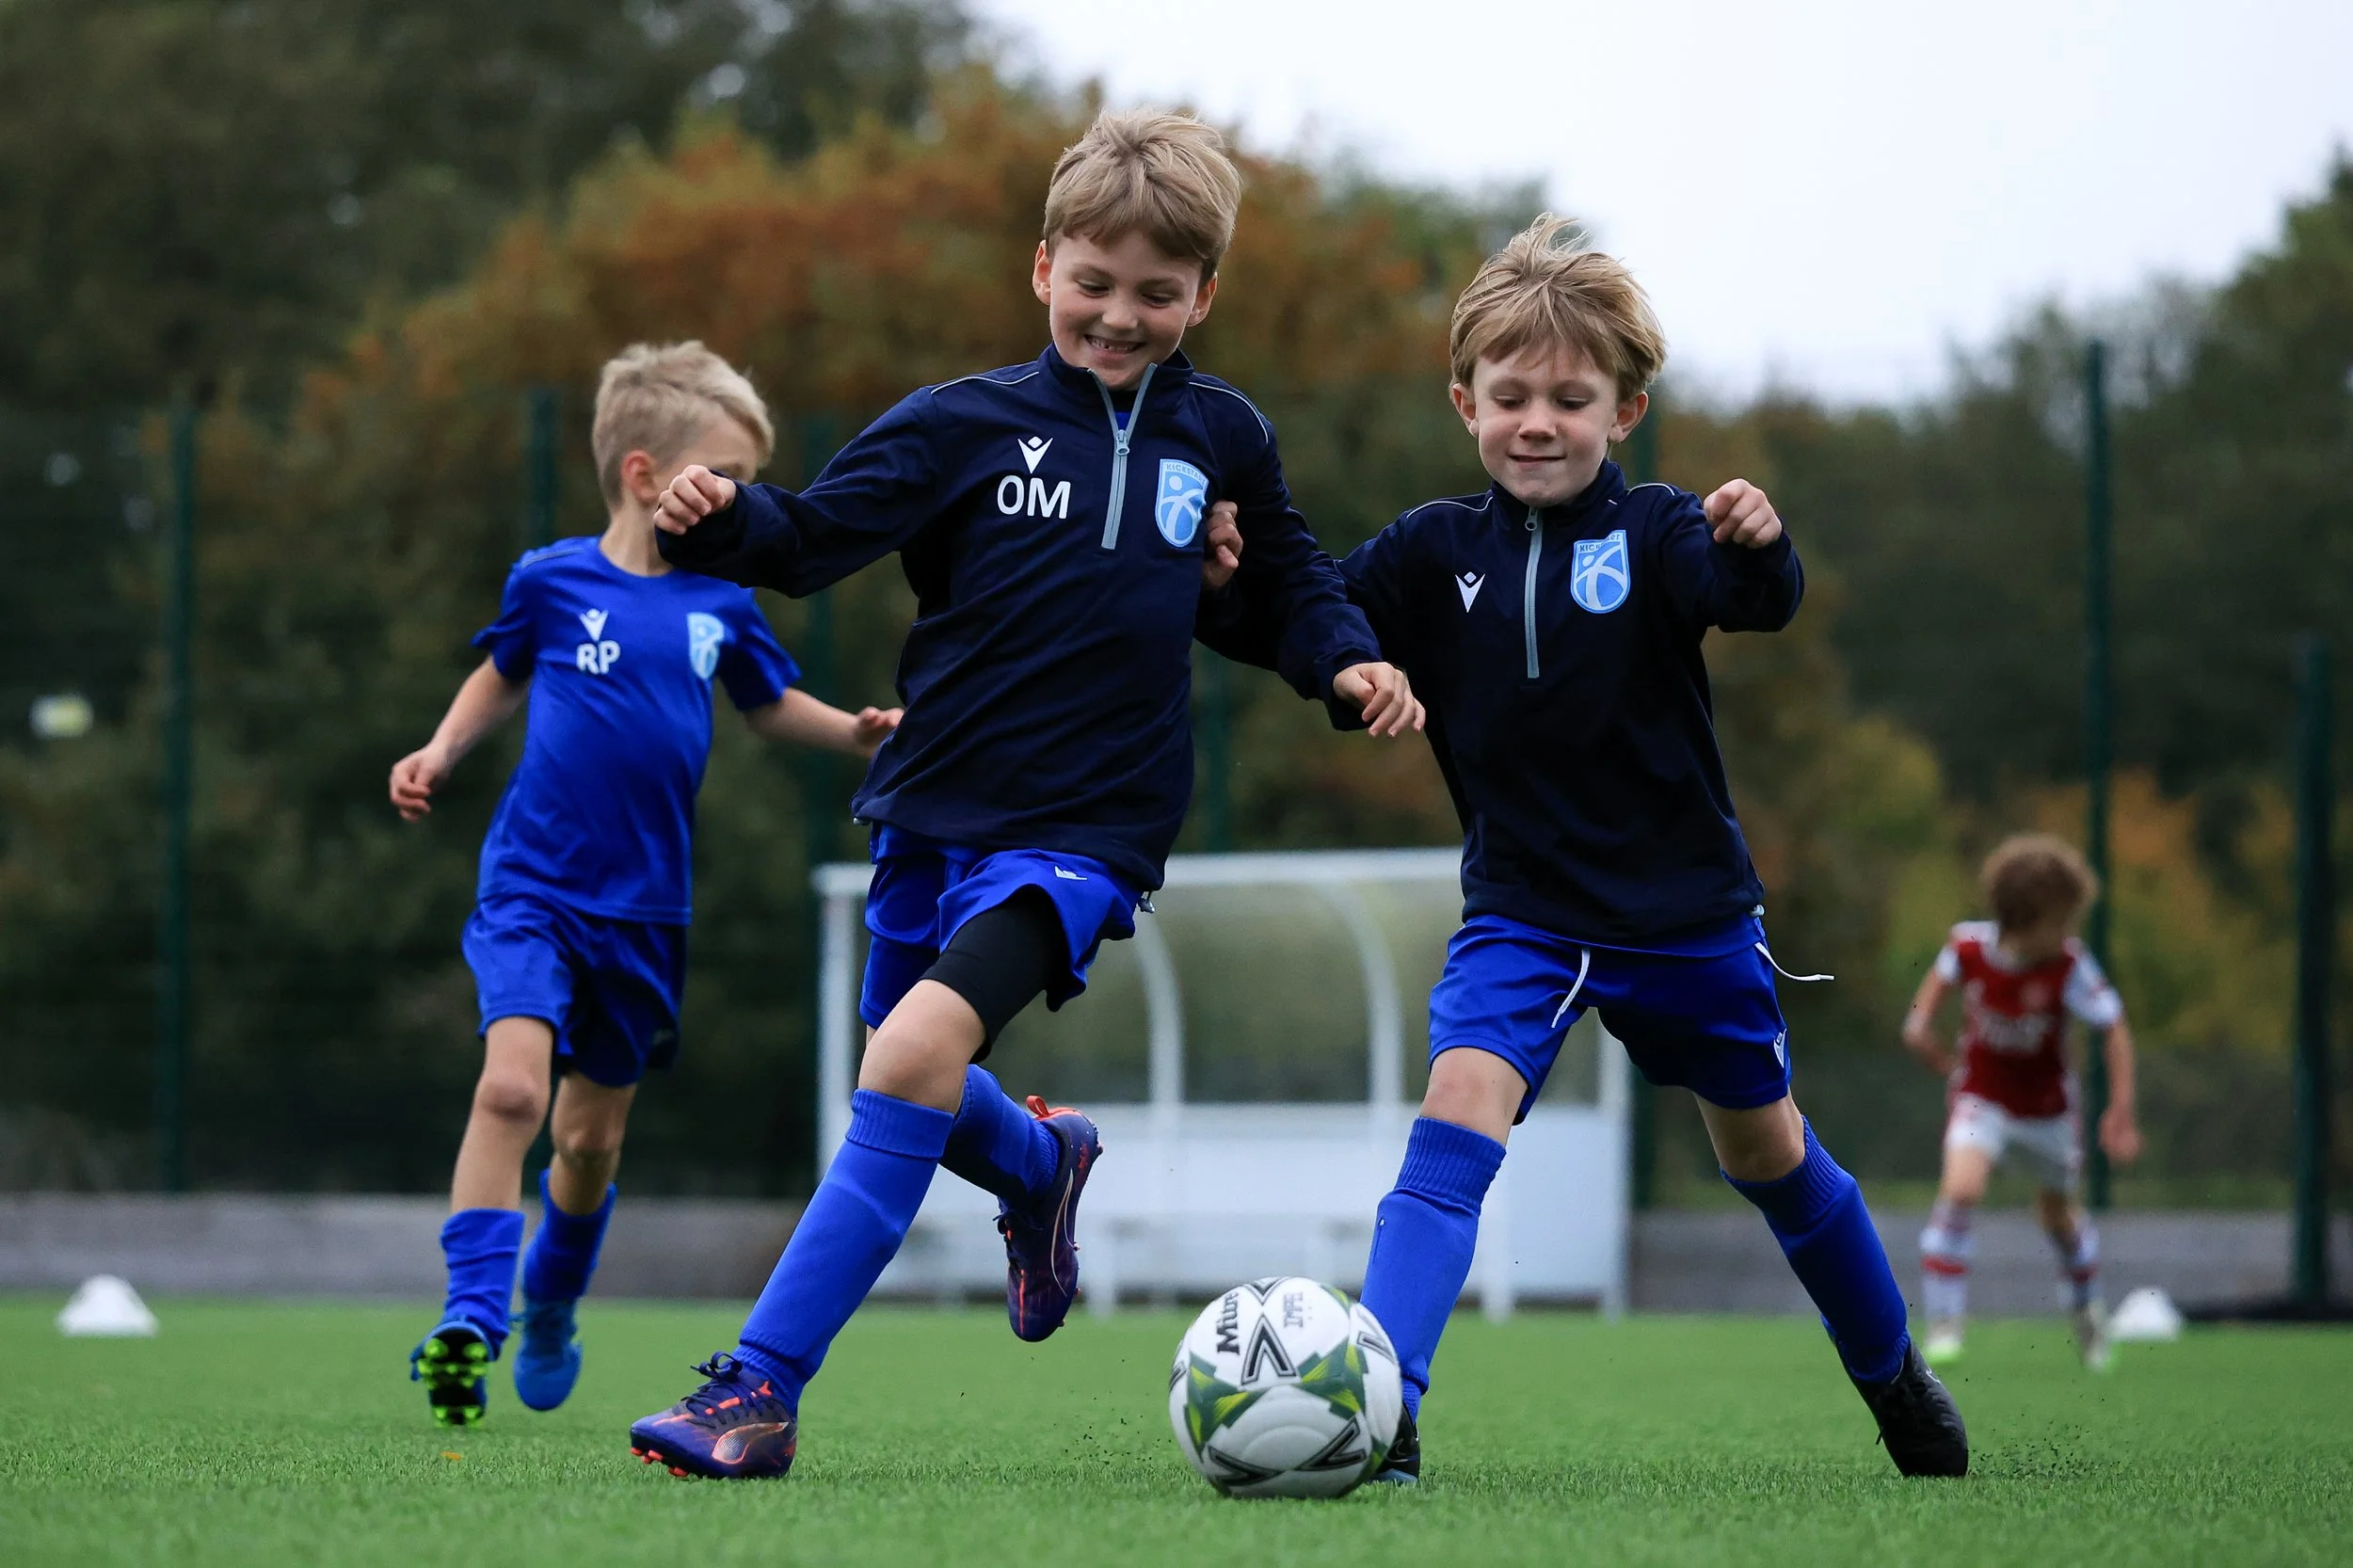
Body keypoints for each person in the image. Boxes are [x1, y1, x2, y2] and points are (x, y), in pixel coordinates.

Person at [623, 108, 1421, 1480]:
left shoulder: (1220, 435)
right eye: (1095, 284)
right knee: (910, 1064)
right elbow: (810, 539)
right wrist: (720, 515)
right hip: (934, 807)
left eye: (1157, 294)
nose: (1121, 316)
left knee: (909, 1059)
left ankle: (754, 1388)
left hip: (1087, 832)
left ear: (1203, 297)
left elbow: (1288, 580)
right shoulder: (960, 424)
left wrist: (1349, 664)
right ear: (1041, 266)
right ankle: (1043, 1166)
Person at [1332, 216, 1967, 1481]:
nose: (1537, 420)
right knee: (1458, 1104)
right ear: (1465, 401)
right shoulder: (1427, 551)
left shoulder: (1663, 532)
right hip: (1522, 913)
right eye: (1510, 394)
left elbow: (1757, 600)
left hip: (1684, 921)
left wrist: (1761, 543)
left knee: (1765, 1151)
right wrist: (1300, 632)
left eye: (1571, 396)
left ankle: (1893, 1371)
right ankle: (1384, 1410)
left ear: (1624, 409)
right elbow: (1318, 615)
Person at [389, 342, 901, 1428]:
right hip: (533, 889)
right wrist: (439, 752)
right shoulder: (551, 580)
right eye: (720, 476)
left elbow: (769, 704)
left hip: (646, 915)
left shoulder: (724, 599)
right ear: (641, 474)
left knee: (587, 1142)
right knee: (511, 1091)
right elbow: (499, 672)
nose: (736, 502)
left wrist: (855, 732)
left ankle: (552, 1303)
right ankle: (470, 1319)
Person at [1902, 832, 2140, 1369]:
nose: (2069, 933)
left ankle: (2087, 1315)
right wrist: (1925, 1037)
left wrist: (2120, 1108)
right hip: (1982, 1096)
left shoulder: (2069, 966)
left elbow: (2114, 1026)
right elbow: (1925, 1009)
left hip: (2048, 1112)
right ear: (2029, 918)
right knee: (1961, 1188)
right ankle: (1943, 1324)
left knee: (2058, 1218)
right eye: (2062, 920)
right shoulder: (1967, 947)